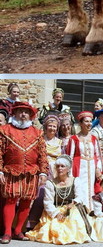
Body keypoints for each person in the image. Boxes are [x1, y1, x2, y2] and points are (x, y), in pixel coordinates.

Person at [0, 101, 49, 244]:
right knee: (10, 200)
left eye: (26, 112)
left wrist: (43, 172)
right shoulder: (5, 130)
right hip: (11, 171)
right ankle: (7, 232)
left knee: (26, 202)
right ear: (14, 113)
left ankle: (18, 231)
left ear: (31, 115)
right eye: (20, 111)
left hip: (31, 172)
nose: (23, 114)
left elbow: (42, 154)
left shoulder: (37, 132)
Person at [25, 155, 92, 245]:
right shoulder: (51, 183)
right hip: (55, 208)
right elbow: (48, 202)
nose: (60, 168)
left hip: (71, 207)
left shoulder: (76, 180)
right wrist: (56, 213)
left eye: (62, 166)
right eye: (58, 166)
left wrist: (73, 203)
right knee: (54, 226)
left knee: (74, 219)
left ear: (68, 169)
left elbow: (80, 197)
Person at [65, 111, 103, 212]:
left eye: (90, 121)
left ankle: (92, 211)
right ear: (81, 123)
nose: (89, 124)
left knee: (91, 190)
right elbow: (70, 157)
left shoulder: (94, 139)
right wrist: (69, 173)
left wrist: (98, 169)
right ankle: (81, 211)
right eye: (86, 121)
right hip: (79, 169)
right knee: (80, 189)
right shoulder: (74, 139)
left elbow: (98, 156)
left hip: (92, 168)